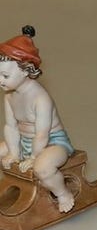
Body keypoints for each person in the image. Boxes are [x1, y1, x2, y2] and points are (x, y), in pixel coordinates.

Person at [0, 26, 75, 212]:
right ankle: (11, 185)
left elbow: (42, 134)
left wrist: (34, 157)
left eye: (5, 75)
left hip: (51, 143)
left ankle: (63, 193)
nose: (0, 80)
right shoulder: (9, 96)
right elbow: (10, 127)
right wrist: (14, 153)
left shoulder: (40, 98)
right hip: (24, 141)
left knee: (42, 168)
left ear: (26, 70)